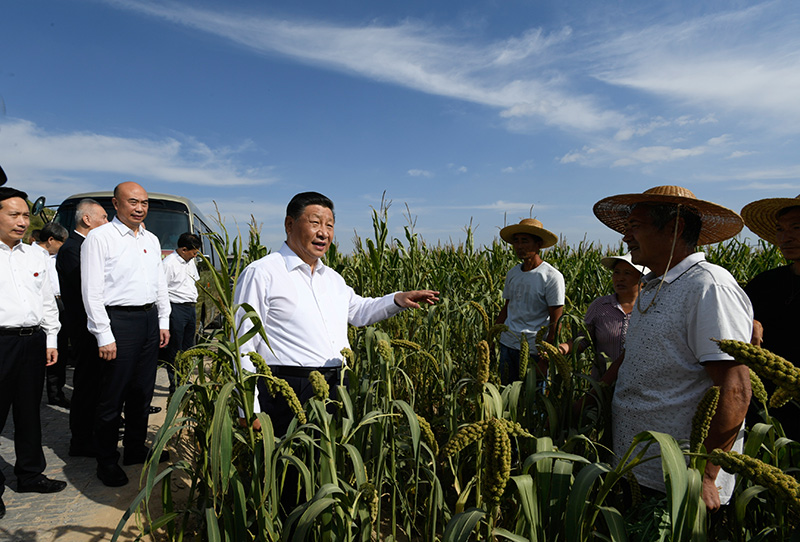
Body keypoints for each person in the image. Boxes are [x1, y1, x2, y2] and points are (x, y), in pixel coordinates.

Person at [593, 185, 752, 511]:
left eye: (635, 227)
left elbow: (735, 389)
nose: (626, 238)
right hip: (635, 466)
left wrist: (705, 476)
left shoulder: (709, 286)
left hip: (679, 479)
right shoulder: (652, 285)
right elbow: (635, 355)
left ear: (676, 227)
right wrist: (594, 393)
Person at [234, 191, 439, 437]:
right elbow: (243, 344)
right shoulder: (262, 272)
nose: (324, 232)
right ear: (290, 224)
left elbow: (359, 311)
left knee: (326, 468)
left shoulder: (332, 278)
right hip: (287, 391)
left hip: (335, 387)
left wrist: (397, 299)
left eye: (329, 225)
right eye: (315, 223)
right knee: (290, 472)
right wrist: (247, 408)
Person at [81, 181, 170, 487]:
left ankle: (134, 448)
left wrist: (163, 320)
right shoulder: (100, 238)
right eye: (132, 202)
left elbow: (160, 283)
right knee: (112, 395)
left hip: (148, 320)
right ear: (116, 204)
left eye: (144, 203)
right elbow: (91, 291)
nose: (139, 208)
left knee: (142, 391)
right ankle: (106, 461)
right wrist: (103, 333)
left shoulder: (151, 239)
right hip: (118, 321)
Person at [0, 187, 67, 520]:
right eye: (14, 214)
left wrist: (51, 339)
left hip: (32, 342)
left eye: (26, 215)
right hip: (1, 343)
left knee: (29, 412)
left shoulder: (35, 256)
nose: (22, 222)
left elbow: (45, 302)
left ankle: (30, 475)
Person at [740, 195, 800, 440]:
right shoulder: (765, 284)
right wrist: (749, 322)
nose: (786, 237)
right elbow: (729, 319)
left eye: (796, 228)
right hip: (765, 416)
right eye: (780, 229)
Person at [56, 198, 108, 457]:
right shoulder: (72, 249)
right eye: (103, 217)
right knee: (86, 385)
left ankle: (94, 433)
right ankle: (81, 441)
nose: (107, 223)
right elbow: (87, 289)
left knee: (97, 384)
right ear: (87, 219)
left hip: (92, 326)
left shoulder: (86, 245)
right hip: (84, 327)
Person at [495, 218, 565, 384]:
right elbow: (507, 308)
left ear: (538, 244)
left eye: (525, 241)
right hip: (508, 345)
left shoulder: (551, 277)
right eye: (516, 241)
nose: (519, 246)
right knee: (506, 399)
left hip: (534, 351)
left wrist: (546, 359)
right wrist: (493, 336)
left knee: (532, 404)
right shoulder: (513, 273)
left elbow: (556, 322)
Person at [559, 254, 649, 378]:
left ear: (642, 279)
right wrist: (559, 350)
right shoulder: (600, 306)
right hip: (602, 386)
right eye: (616, 273)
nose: (620, 278)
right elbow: (583, 339)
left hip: (639, 384)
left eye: (627, 273)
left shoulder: (650, 307)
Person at [32, 221, 71, 407]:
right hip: (36, 307)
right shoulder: (29, 255)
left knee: (58, 349)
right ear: (50, 240)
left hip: (58, 304)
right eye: (62, 242)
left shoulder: (56, 257)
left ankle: (56, 393)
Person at [161, 232, 202, 394]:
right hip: (175, 309)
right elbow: (161, 290)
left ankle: (185, 381)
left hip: (190, 308)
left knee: (188, 348)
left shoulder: (190, 262)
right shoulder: (169, 264)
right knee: (175, 350)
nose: (195, 255)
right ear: (184, 249)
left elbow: (193, 282)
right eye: (193, 252)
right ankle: (176, 387)